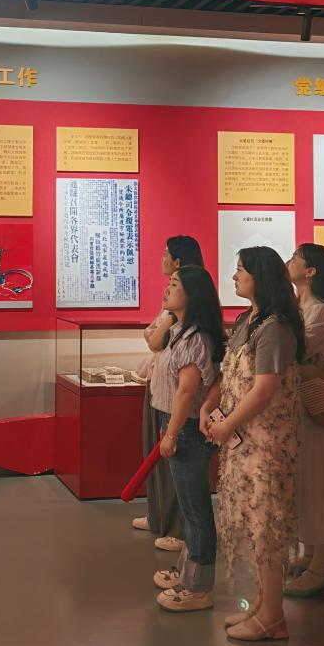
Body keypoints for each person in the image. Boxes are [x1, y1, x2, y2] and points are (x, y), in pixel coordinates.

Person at [203, 247, 304, 642]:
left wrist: (227, 424)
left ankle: (273, 616)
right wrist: (211, 408)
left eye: (241, 270)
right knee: (253, 520)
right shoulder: (249, 320)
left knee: (268, 525)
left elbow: (264, 389)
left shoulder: (275, 327)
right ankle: (264, 603)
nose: (235, 277)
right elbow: (231, 375)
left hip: (267, 443)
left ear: (260, 277)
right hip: (244, 440)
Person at [148, 265, 225, 613]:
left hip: (189, 428)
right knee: (191, 508)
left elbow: (187, 391)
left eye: (175, 284)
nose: (167, 288)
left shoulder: (195, 338)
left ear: (192, 294)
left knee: (196, 512)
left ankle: (198, 587)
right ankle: (186, 572)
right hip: (179, 423)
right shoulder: (180, 330)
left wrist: (172, 433)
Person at [283, 244, 324, 598]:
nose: (289, 262)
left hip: (317, 411)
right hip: (300, 411)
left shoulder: (321, 311)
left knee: (322, 487)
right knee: (306, 484)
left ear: (310, 272)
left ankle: (321, 568)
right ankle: (310, 556)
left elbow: (292, 351)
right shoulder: (300, 307)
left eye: (295, 259)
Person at [131, 236, 203, 551]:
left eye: (166, 255)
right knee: (158, 458)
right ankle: (159, 516)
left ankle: (179, 528)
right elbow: (152, 334)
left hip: (176, 395)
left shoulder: (187, 310)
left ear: (178, 262)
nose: (161, 259)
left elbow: (154, 340)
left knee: (179, 465)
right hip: (160, 389)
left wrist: (158, 330)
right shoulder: (173, 305)